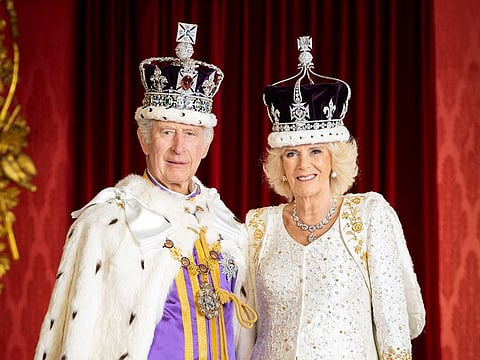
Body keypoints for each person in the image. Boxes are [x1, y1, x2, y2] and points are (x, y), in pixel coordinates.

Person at [34, 22, 256, 360]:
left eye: (191, 134)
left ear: (207, 144)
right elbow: (77, 340)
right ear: (144, 139)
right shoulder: (108, 223)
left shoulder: (227, 227)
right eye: (167, 132)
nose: (179, 147)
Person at [243, 36, 425, 359]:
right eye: (291, 154)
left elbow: (395, 336)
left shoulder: (368, 217)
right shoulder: (258, 228)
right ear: (280, 164)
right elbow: (244, 334)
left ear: (333, 160)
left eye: (315, 151)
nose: (303, 165)